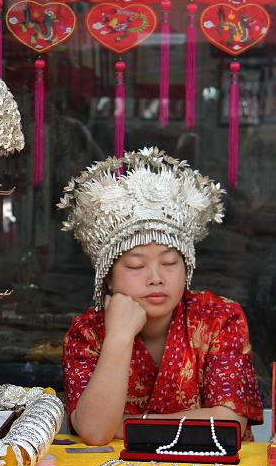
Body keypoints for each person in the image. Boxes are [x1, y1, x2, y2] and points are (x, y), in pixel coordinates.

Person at [58, 146, 263, 446]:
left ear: (187, 267)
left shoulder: (219, 318)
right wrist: (118, 337)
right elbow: (94, 430)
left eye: (170, 263)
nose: (156, 277)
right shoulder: (87, 334)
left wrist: (127, 424)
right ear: (109, 278)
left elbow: (227, 422)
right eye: (135, 265)